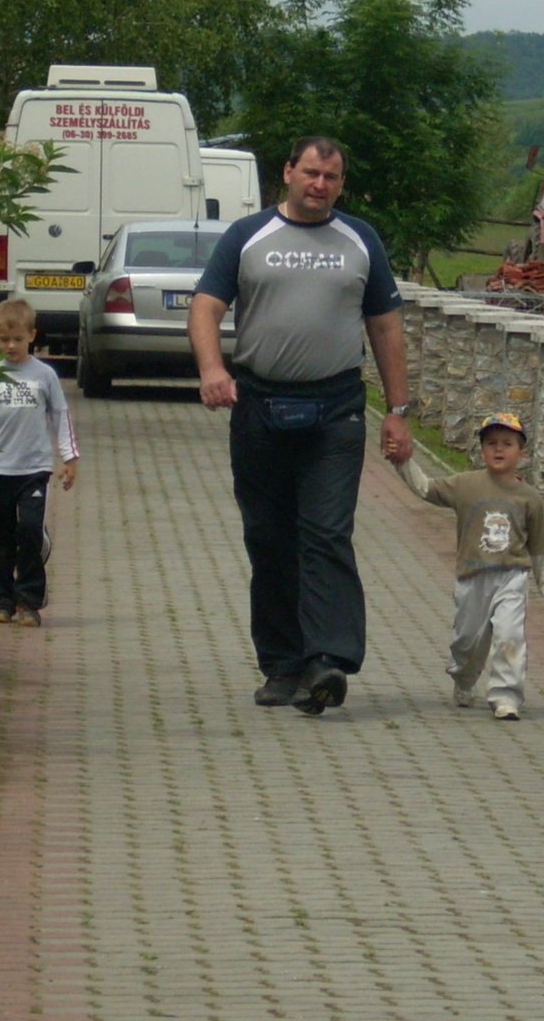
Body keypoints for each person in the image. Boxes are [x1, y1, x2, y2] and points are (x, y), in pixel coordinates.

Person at [188, 136, 414, 715]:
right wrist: (212, 369)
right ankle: (282, 665)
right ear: (287, 173)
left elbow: (386, 327)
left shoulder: (361, 240)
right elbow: (206, 307)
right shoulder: (247, 236)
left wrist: (398, 410)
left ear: (341, 184)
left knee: (325, 533)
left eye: (331, 177)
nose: (319, 184)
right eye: (310, 173)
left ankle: (327, 661)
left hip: (336, 409)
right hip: (260, 405)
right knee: (269, 536)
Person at [389, 414, 544, 721]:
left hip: (512, 576)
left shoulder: (530, 498)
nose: (499, 450)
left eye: (508, 444)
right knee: (467, 641)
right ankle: (464, 678)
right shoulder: (466, 485)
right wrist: (403, 461)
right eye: (491, 444)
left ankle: (506, 696)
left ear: (521, 453)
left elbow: (539, 546)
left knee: (510, 635)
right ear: (482, 450)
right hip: (472, 578)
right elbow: (425, 488)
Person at [0, 298, 79, 627]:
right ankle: (1, 597)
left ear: (32, 336)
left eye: (18, 340)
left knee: (28, 530)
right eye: (4, 340)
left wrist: (69, 457)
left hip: (34, 469)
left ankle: (29, 600)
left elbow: (60, 415)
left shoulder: (44, 375)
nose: (11, 346)